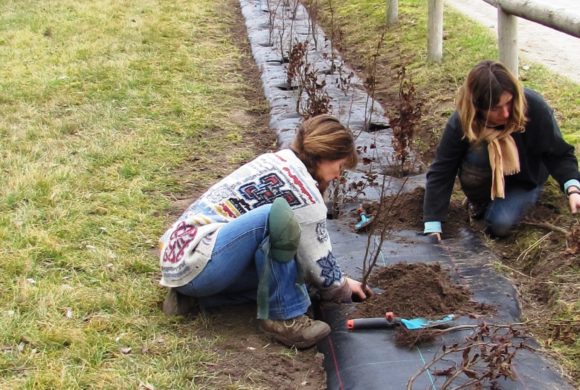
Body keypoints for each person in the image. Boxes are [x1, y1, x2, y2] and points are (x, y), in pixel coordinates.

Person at [158, 114, 372, 349]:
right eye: (339, 166)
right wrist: (340, 288)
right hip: (198, 261)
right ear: (324, 156)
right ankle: (284, 319)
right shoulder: (304, 191)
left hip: (180, 256)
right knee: (277, 216)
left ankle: (198, 298)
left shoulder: (277, 161)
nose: (338, 175)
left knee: (292, 269)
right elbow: (318, 261)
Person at [424, 60, 580, 240]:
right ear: (477, 107)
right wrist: (433, 224)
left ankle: (508, 204)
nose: (506, 113)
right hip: (484, 176)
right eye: (496, 108)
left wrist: (573, 189)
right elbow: (442, 170)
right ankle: (480, 201)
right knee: (479, 149)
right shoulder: (463, 121)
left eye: (509, 103)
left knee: (499, 225)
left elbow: (558, 152)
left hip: (524, 179)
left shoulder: (534, 107)